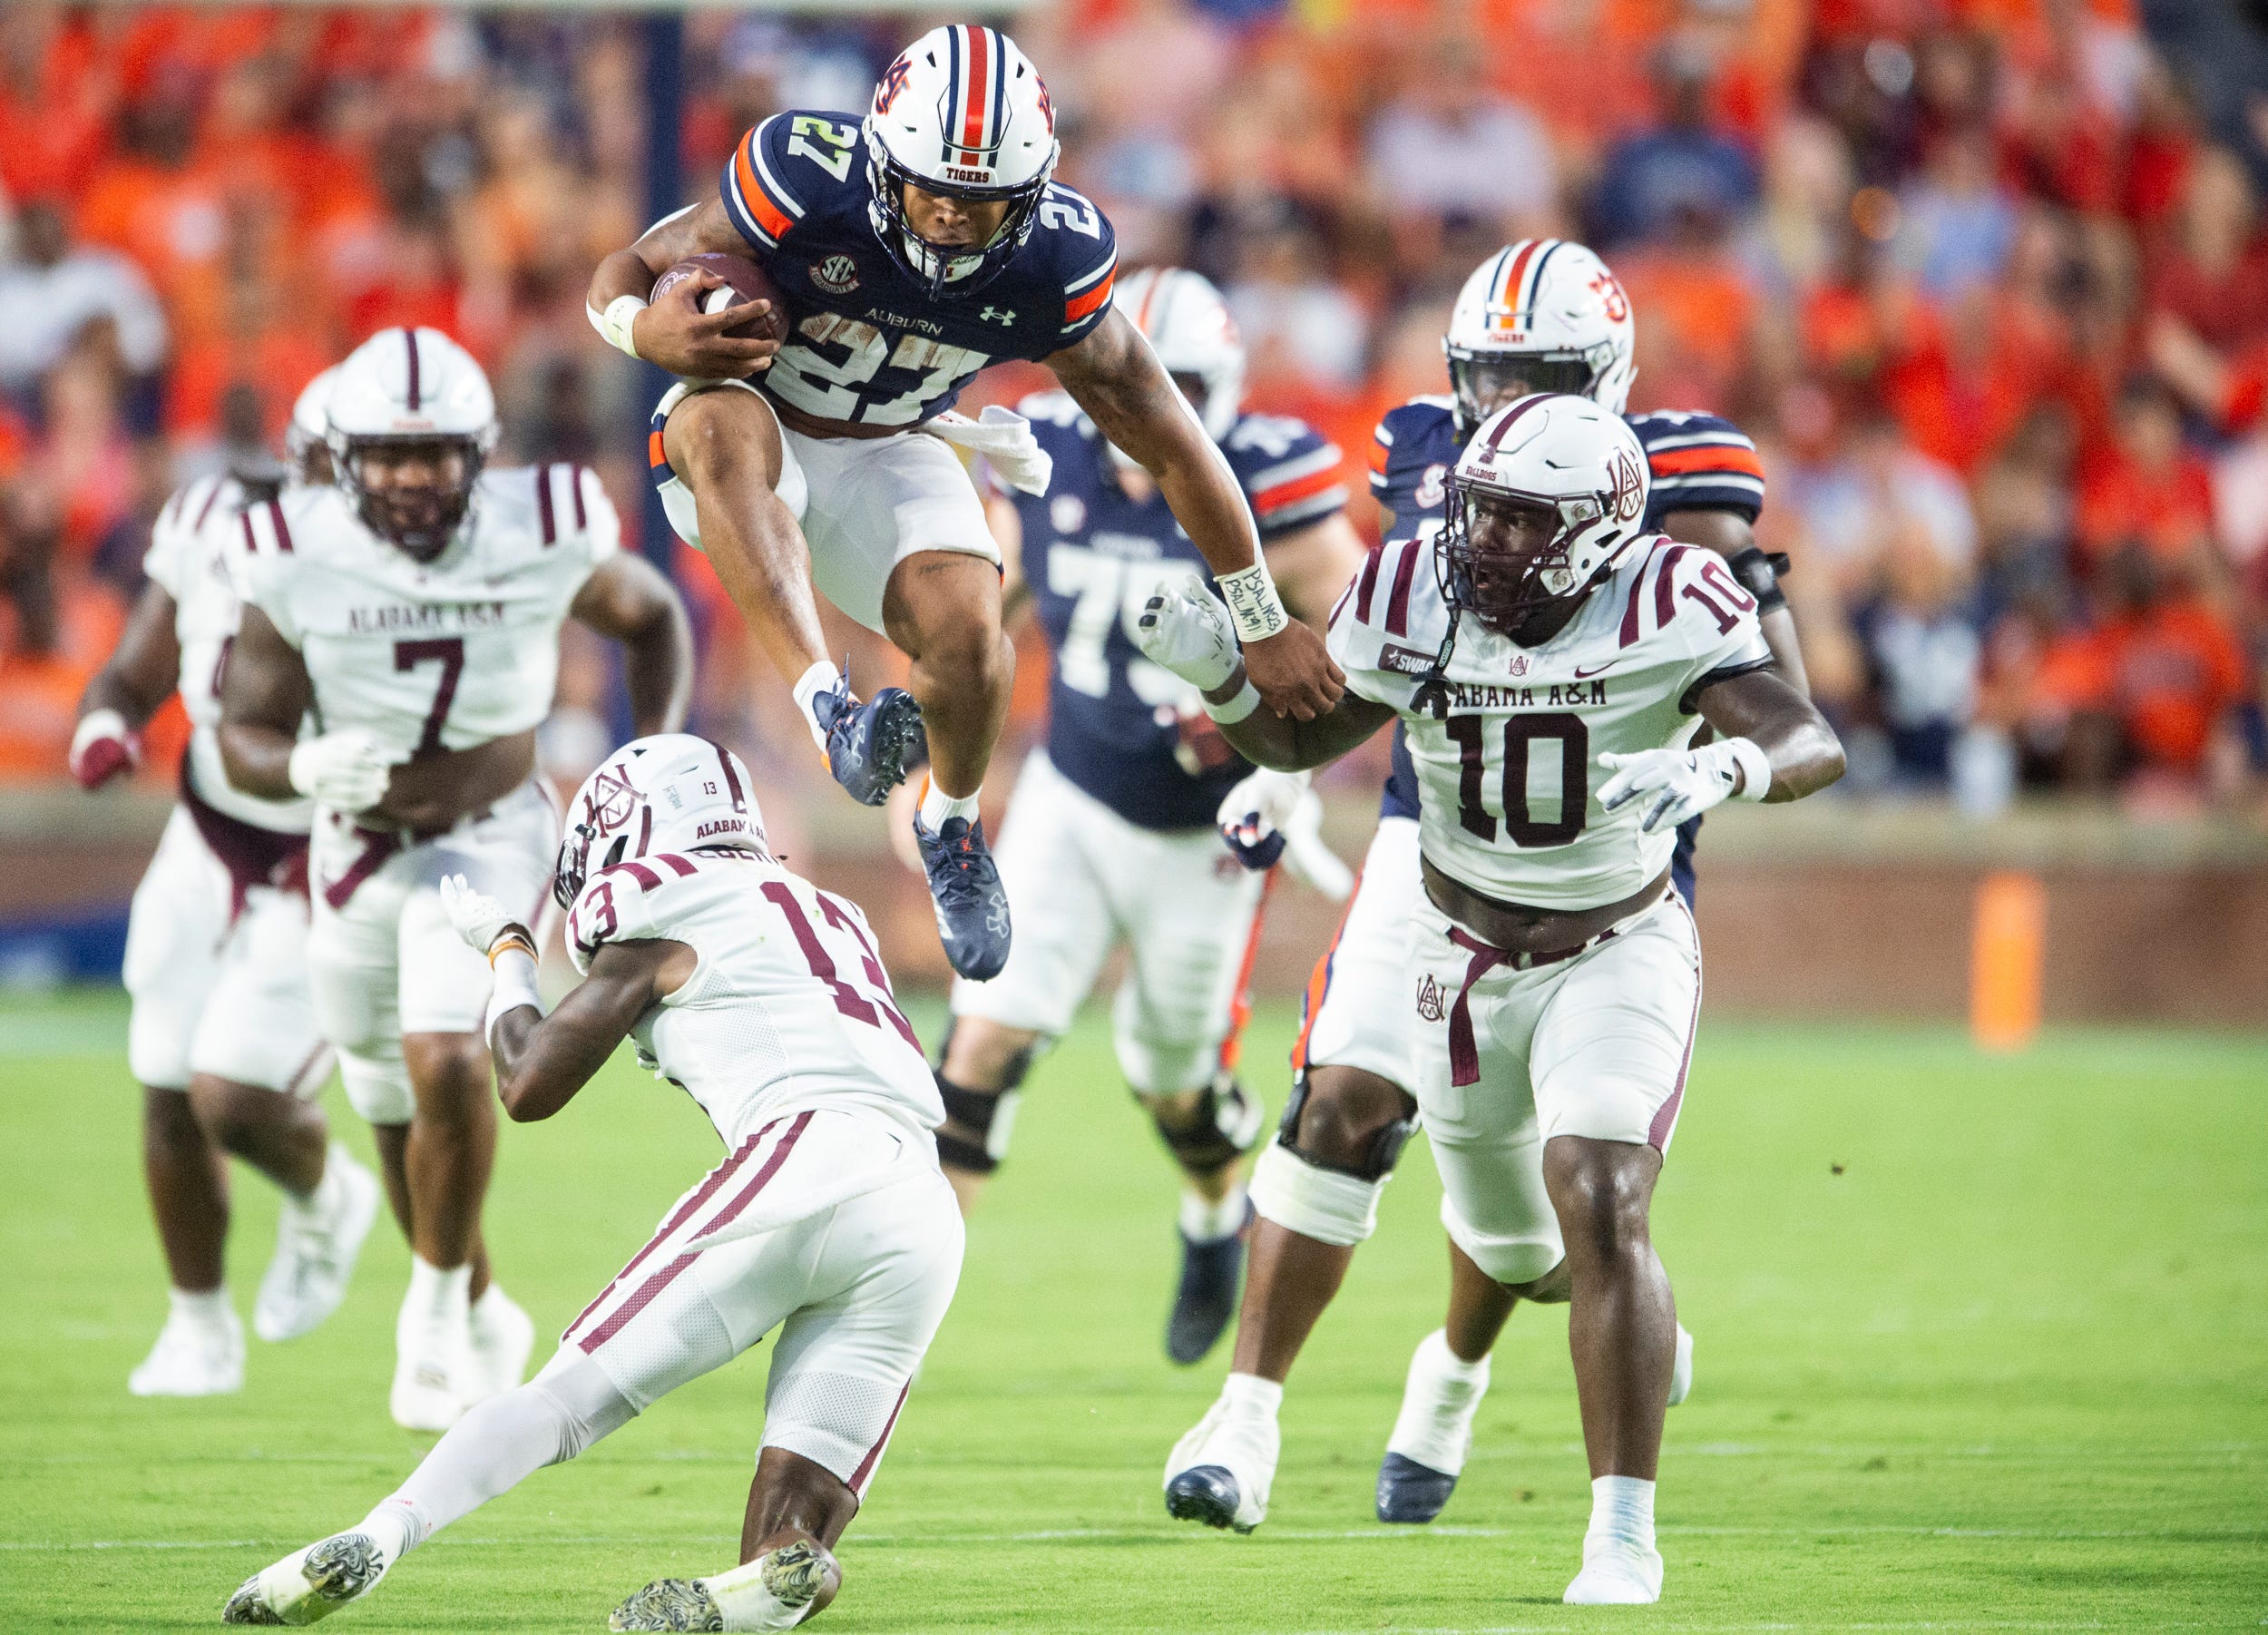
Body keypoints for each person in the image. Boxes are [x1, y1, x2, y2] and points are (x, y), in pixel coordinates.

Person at [1137, 395, 1844, 1603]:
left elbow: (1805, 733)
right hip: (1452, 947)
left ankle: (1621, 1531)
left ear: (1600, 528)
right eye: (1483, 514)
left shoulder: (1673, 595)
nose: (1489, 544)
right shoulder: (1416, 584)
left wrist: (1727, 760)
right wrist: (1222, 678)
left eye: (1523, 522)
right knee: (1526, 1248)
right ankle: (1633, 1330)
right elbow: (1311, 740)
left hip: (1613, 943)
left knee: (1603, 1188)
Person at [583, 24, 1342, 984]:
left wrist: (1260, 617)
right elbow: (626, 270)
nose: (946, 216)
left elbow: (1174, 439)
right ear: (882, 163)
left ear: (1027, 198)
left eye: (977, 203)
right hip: (755, 431)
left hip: (893, 444)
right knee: (716, 422)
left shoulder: (1054, 261)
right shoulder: (802, 177)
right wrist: (646, 331)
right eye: (930, 189)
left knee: (971, 634)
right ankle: (830, 713)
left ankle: (951, 821)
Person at [224, 736, 963, 1633]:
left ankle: (380, 1534)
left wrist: (505, 952)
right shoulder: (832, 911)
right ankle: (776, 1580)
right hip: (922, 1208)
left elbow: (528, 1081)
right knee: (792, 1534)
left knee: (562, 1403)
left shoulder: (664, 900)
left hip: (804, 1157)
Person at [217, 327, 695, 1431]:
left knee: (444, 1056)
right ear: (343, 458)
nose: (413, 478)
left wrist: (649, 755)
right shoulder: (292, 548)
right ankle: (474, 1296)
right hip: (353, 847)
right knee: (387, 1105)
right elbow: (240, 727)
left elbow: (654, 616)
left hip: (489, 833)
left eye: (434, 454)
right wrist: (294, 764)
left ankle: (431, 1309)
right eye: (387, 454)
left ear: (479, 455)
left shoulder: (544, 524)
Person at [930, 268, 1364, 1364]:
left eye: (1181, 384)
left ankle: (1216, 1213)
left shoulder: (1269, 475)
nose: (1143, 407)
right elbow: (991, 610)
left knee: (1176, 1081)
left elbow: (1366, 641)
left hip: (1204, 829)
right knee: (983, 1034)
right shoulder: (1049, 449)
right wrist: (931, 755)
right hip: (1072, 794)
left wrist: (1287, 772)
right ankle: (906, 1295)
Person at [69, 368, 379, 1397]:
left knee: (234, 1094)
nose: (389, 488)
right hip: (209, 832)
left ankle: (327, 1190)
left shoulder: (421, 564)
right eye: (363, 463)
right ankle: (198, 1324)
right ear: (306, 458)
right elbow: (139, 662)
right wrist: (107, 718)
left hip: (328, 843)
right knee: (162, 1072)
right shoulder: (214, 517)